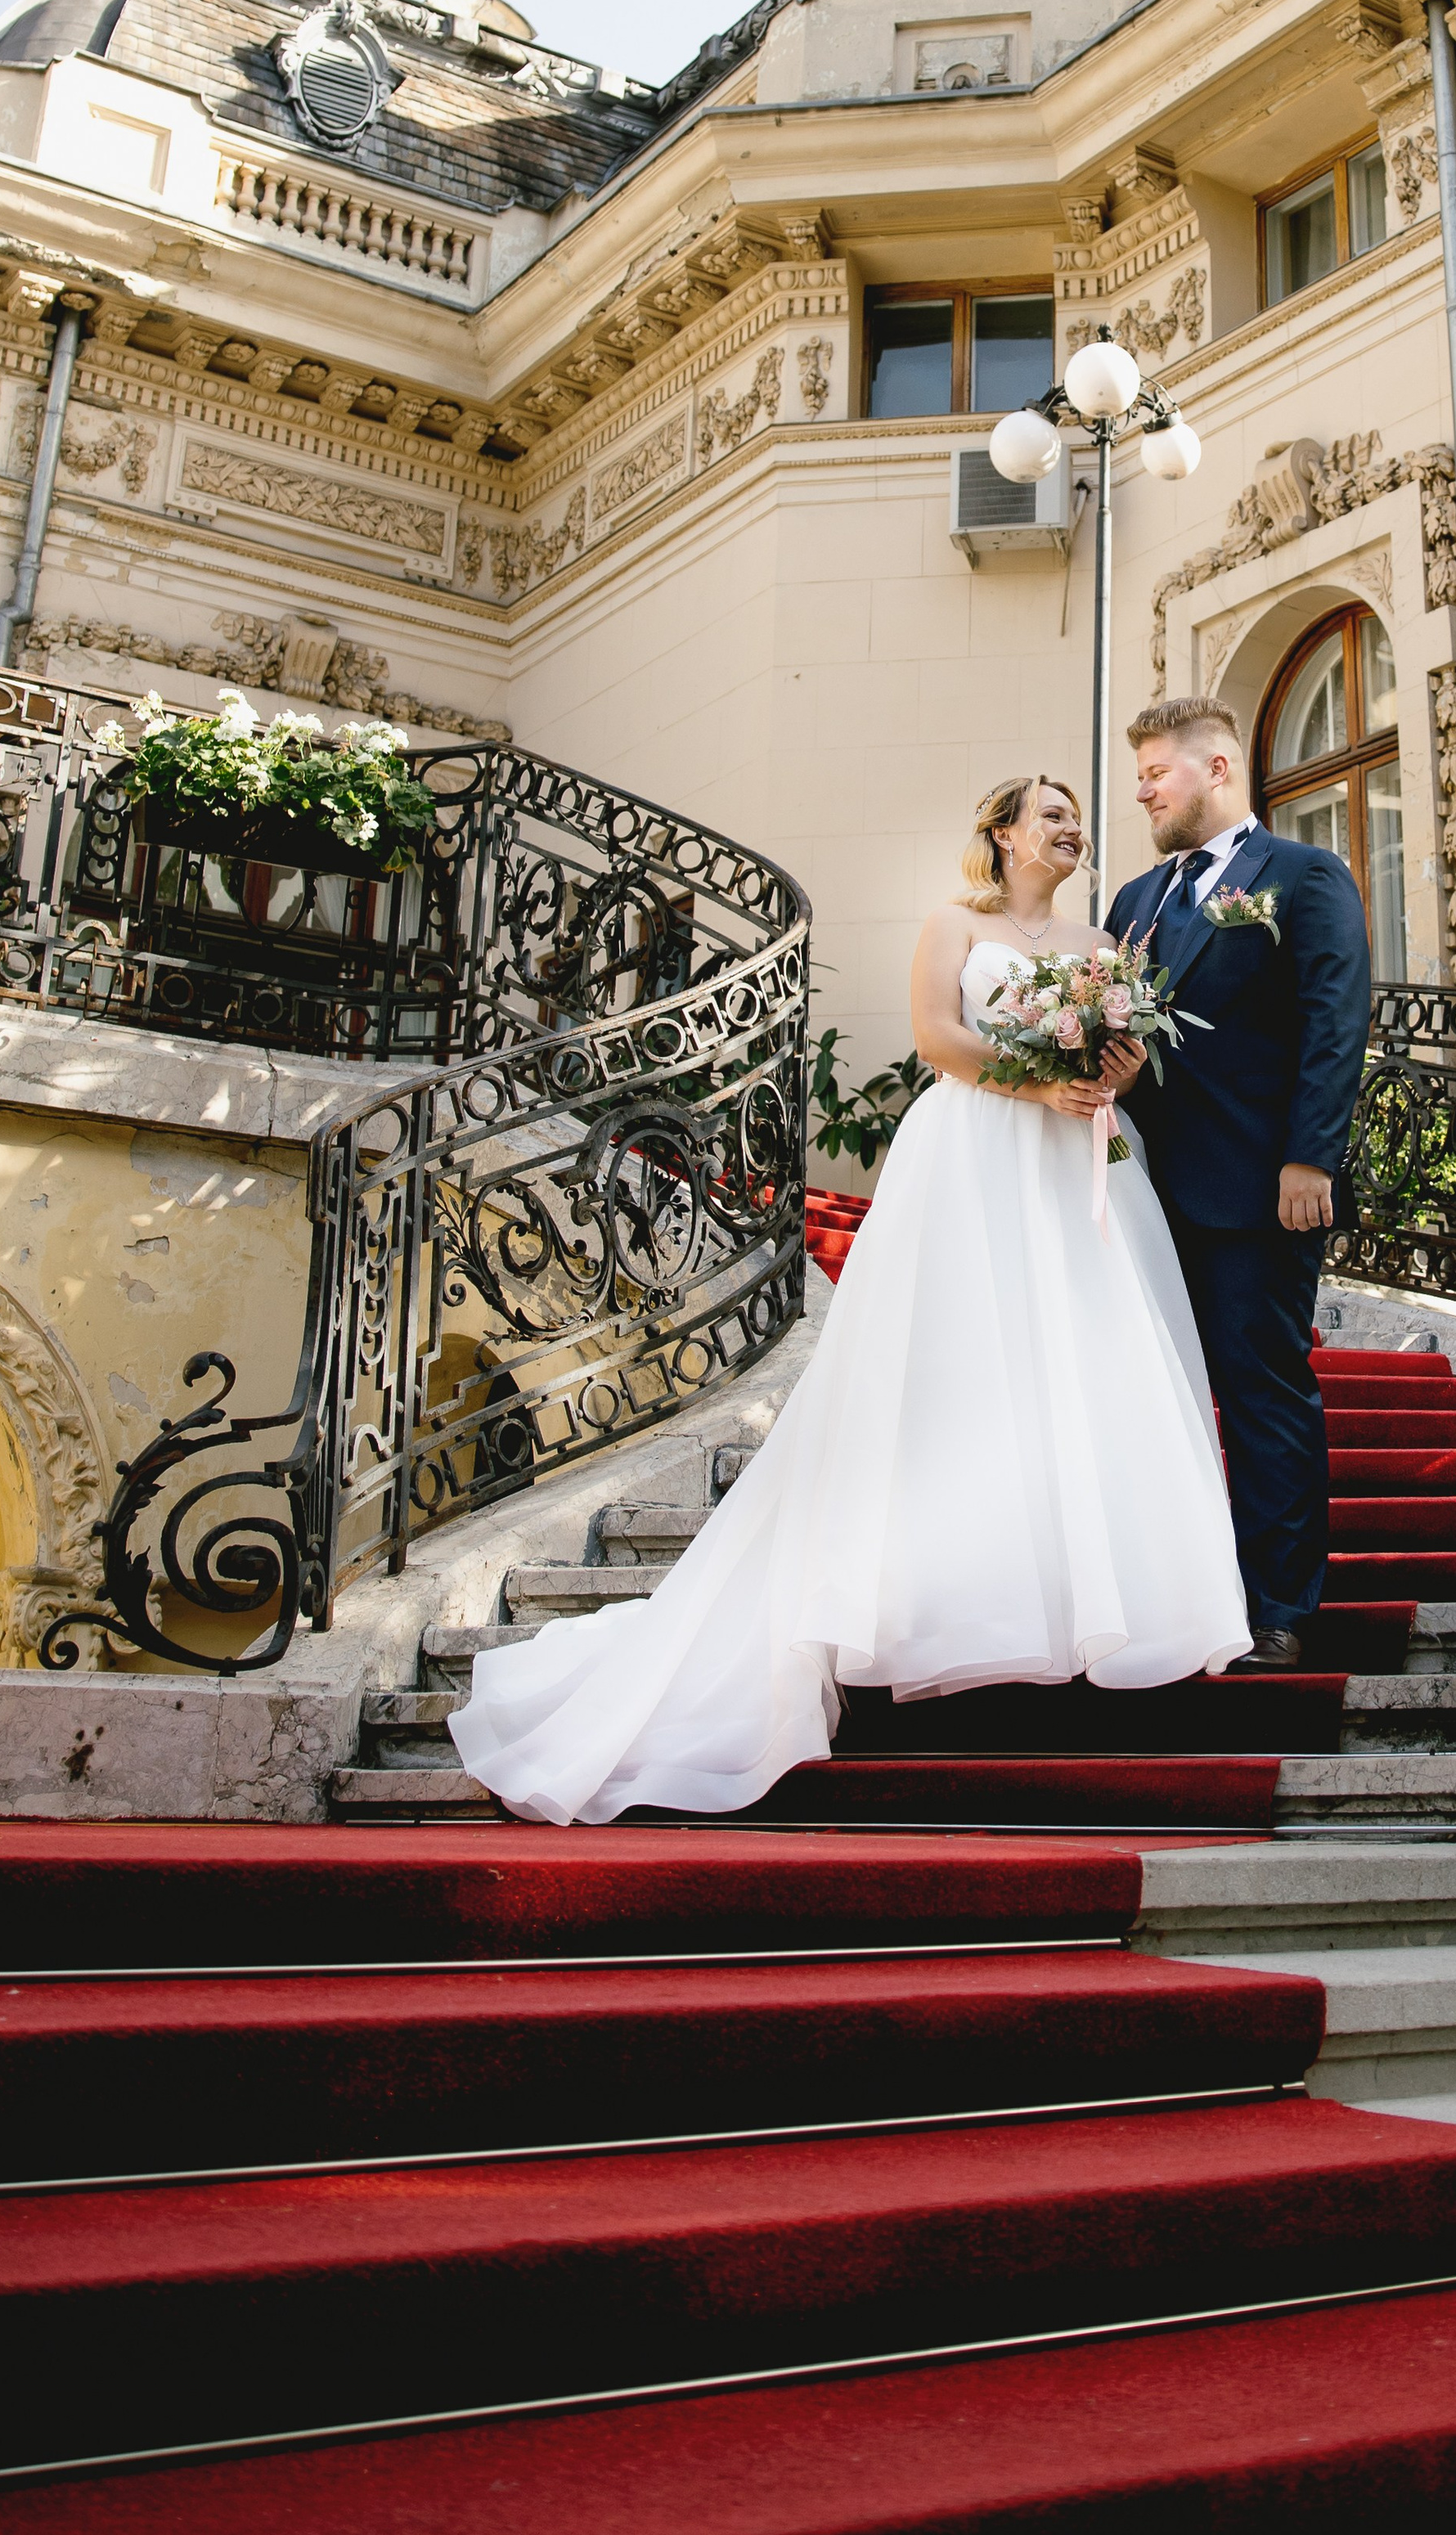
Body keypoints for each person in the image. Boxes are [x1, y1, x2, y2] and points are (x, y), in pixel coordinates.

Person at [450, 771, 1250, 1824]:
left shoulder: (1103, 950)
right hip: (973, 1159)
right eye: (1049, 815)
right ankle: (940, 1612)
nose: (1070, 829)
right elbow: (936, 1040)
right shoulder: (952, 926)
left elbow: (1129, 1053)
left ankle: (1083, 1613)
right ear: (1003, 833)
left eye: (1075, 819)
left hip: (1078, 1167)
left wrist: (1110, 1073)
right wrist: (1034, 1083)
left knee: (1085, 1371)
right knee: (956, 1373)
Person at [1103, 695, 1372, 1670]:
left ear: (1216, 768)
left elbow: (1334, 1022)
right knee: (1149, 1394)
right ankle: (1170, 1595)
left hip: (1258, 1186)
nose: (1140, 791)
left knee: (1258, 1393)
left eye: (1154, 773)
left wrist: (1312, 1156)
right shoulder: (1132, 904)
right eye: (1137, 775)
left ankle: (1276, 1609)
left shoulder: (1303, 876)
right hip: (1138, 1194)